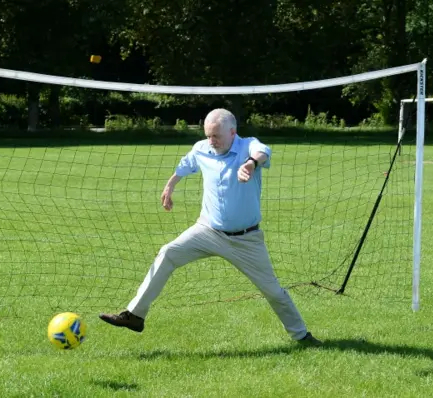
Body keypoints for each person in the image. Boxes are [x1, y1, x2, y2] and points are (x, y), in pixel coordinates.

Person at [99, 108, 321, 345]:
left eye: (216, 136)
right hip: (207, 231)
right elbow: (185, 165)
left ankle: (301, 335)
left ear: (233, 132)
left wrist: (251, 164)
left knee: (273, 291)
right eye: (208, 135)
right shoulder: (202, 148)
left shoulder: (248, 146)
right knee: (168, 253)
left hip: (246, 239)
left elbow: (263, 151)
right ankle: (135, 315)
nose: (211, 141)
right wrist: (170, 186)